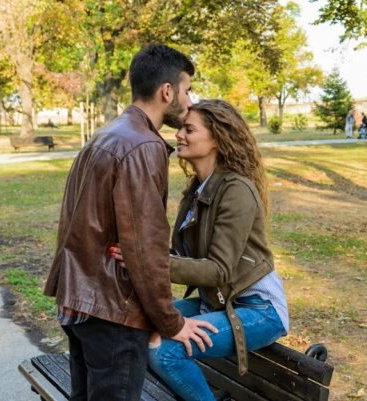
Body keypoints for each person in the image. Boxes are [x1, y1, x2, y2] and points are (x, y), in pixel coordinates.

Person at [43, 44, 217, 401]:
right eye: (186, 90)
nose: (189, 100)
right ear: (166, 91)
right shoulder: (143, 146)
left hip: (80, 302)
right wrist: (171, 322)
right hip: (111, 312)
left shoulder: (107, 134)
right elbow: (144, 249)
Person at [112, 99, 288, 401]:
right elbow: (179, 256)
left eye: (189, 129)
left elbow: (219, 270)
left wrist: (149, 262)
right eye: (181, 128)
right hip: (217, 303)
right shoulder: (197, 190)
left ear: (216, 139)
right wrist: (136, 250)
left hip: (258, 308)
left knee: (165, 352)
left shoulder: (237, 190)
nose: (179, 134)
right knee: (136, 323)